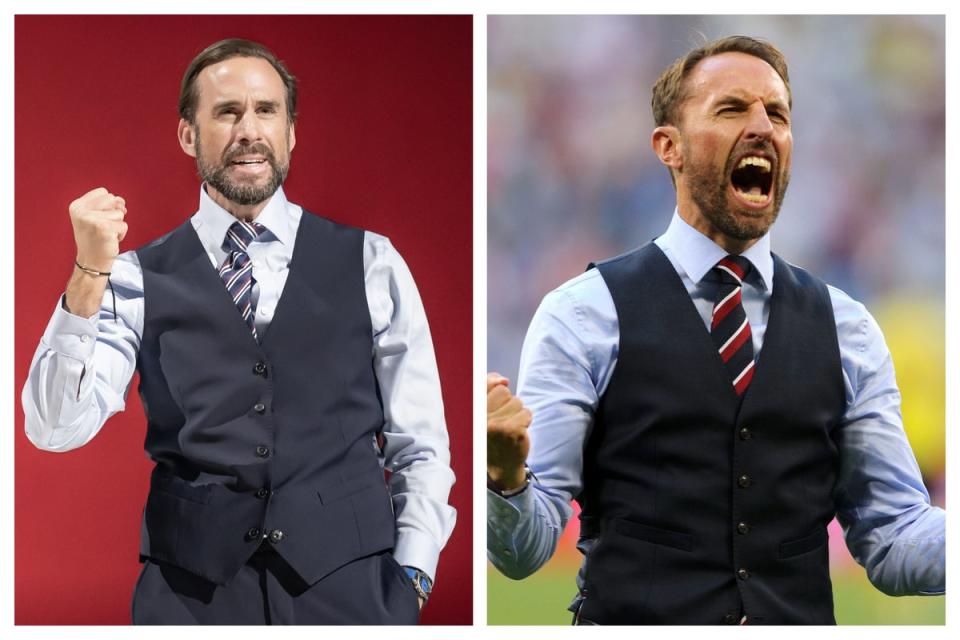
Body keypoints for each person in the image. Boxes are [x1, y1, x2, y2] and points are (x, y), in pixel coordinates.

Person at [486, 35, 944, 625]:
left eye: (777, 113)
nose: (762, 127)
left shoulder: (848, 328)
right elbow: (526, 549)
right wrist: (505, 479)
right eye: (732, 109)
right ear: (668, 146)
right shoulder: (583, 315)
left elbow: (894, 534)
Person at [23, 38, 456, 625]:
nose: (249, 130)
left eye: (266, 111)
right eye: (227, 112)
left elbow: (421, 443)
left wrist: (413, 573)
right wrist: (88, 271)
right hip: (190, 598)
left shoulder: (371, 262)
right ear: (187, 135)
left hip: (352, 594)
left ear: (291, 132)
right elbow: (53, 428)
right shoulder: (131, 278)